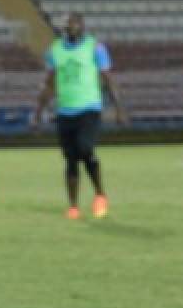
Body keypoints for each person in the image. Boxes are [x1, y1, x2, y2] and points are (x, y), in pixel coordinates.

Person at [30, 12, 128, 220]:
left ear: (82, 26)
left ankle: (100, 194)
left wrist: (119, 109)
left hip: (89, 108)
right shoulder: (55, 51)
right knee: (71, 158)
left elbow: (108, 79)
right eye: (67, 25)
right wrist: (37, 114)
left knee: (85, 148)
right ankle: (73, 206)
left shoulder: (95, 48)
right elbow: (49, 83)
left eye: (74, 24)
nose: (70, 28)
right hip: (65, 111)